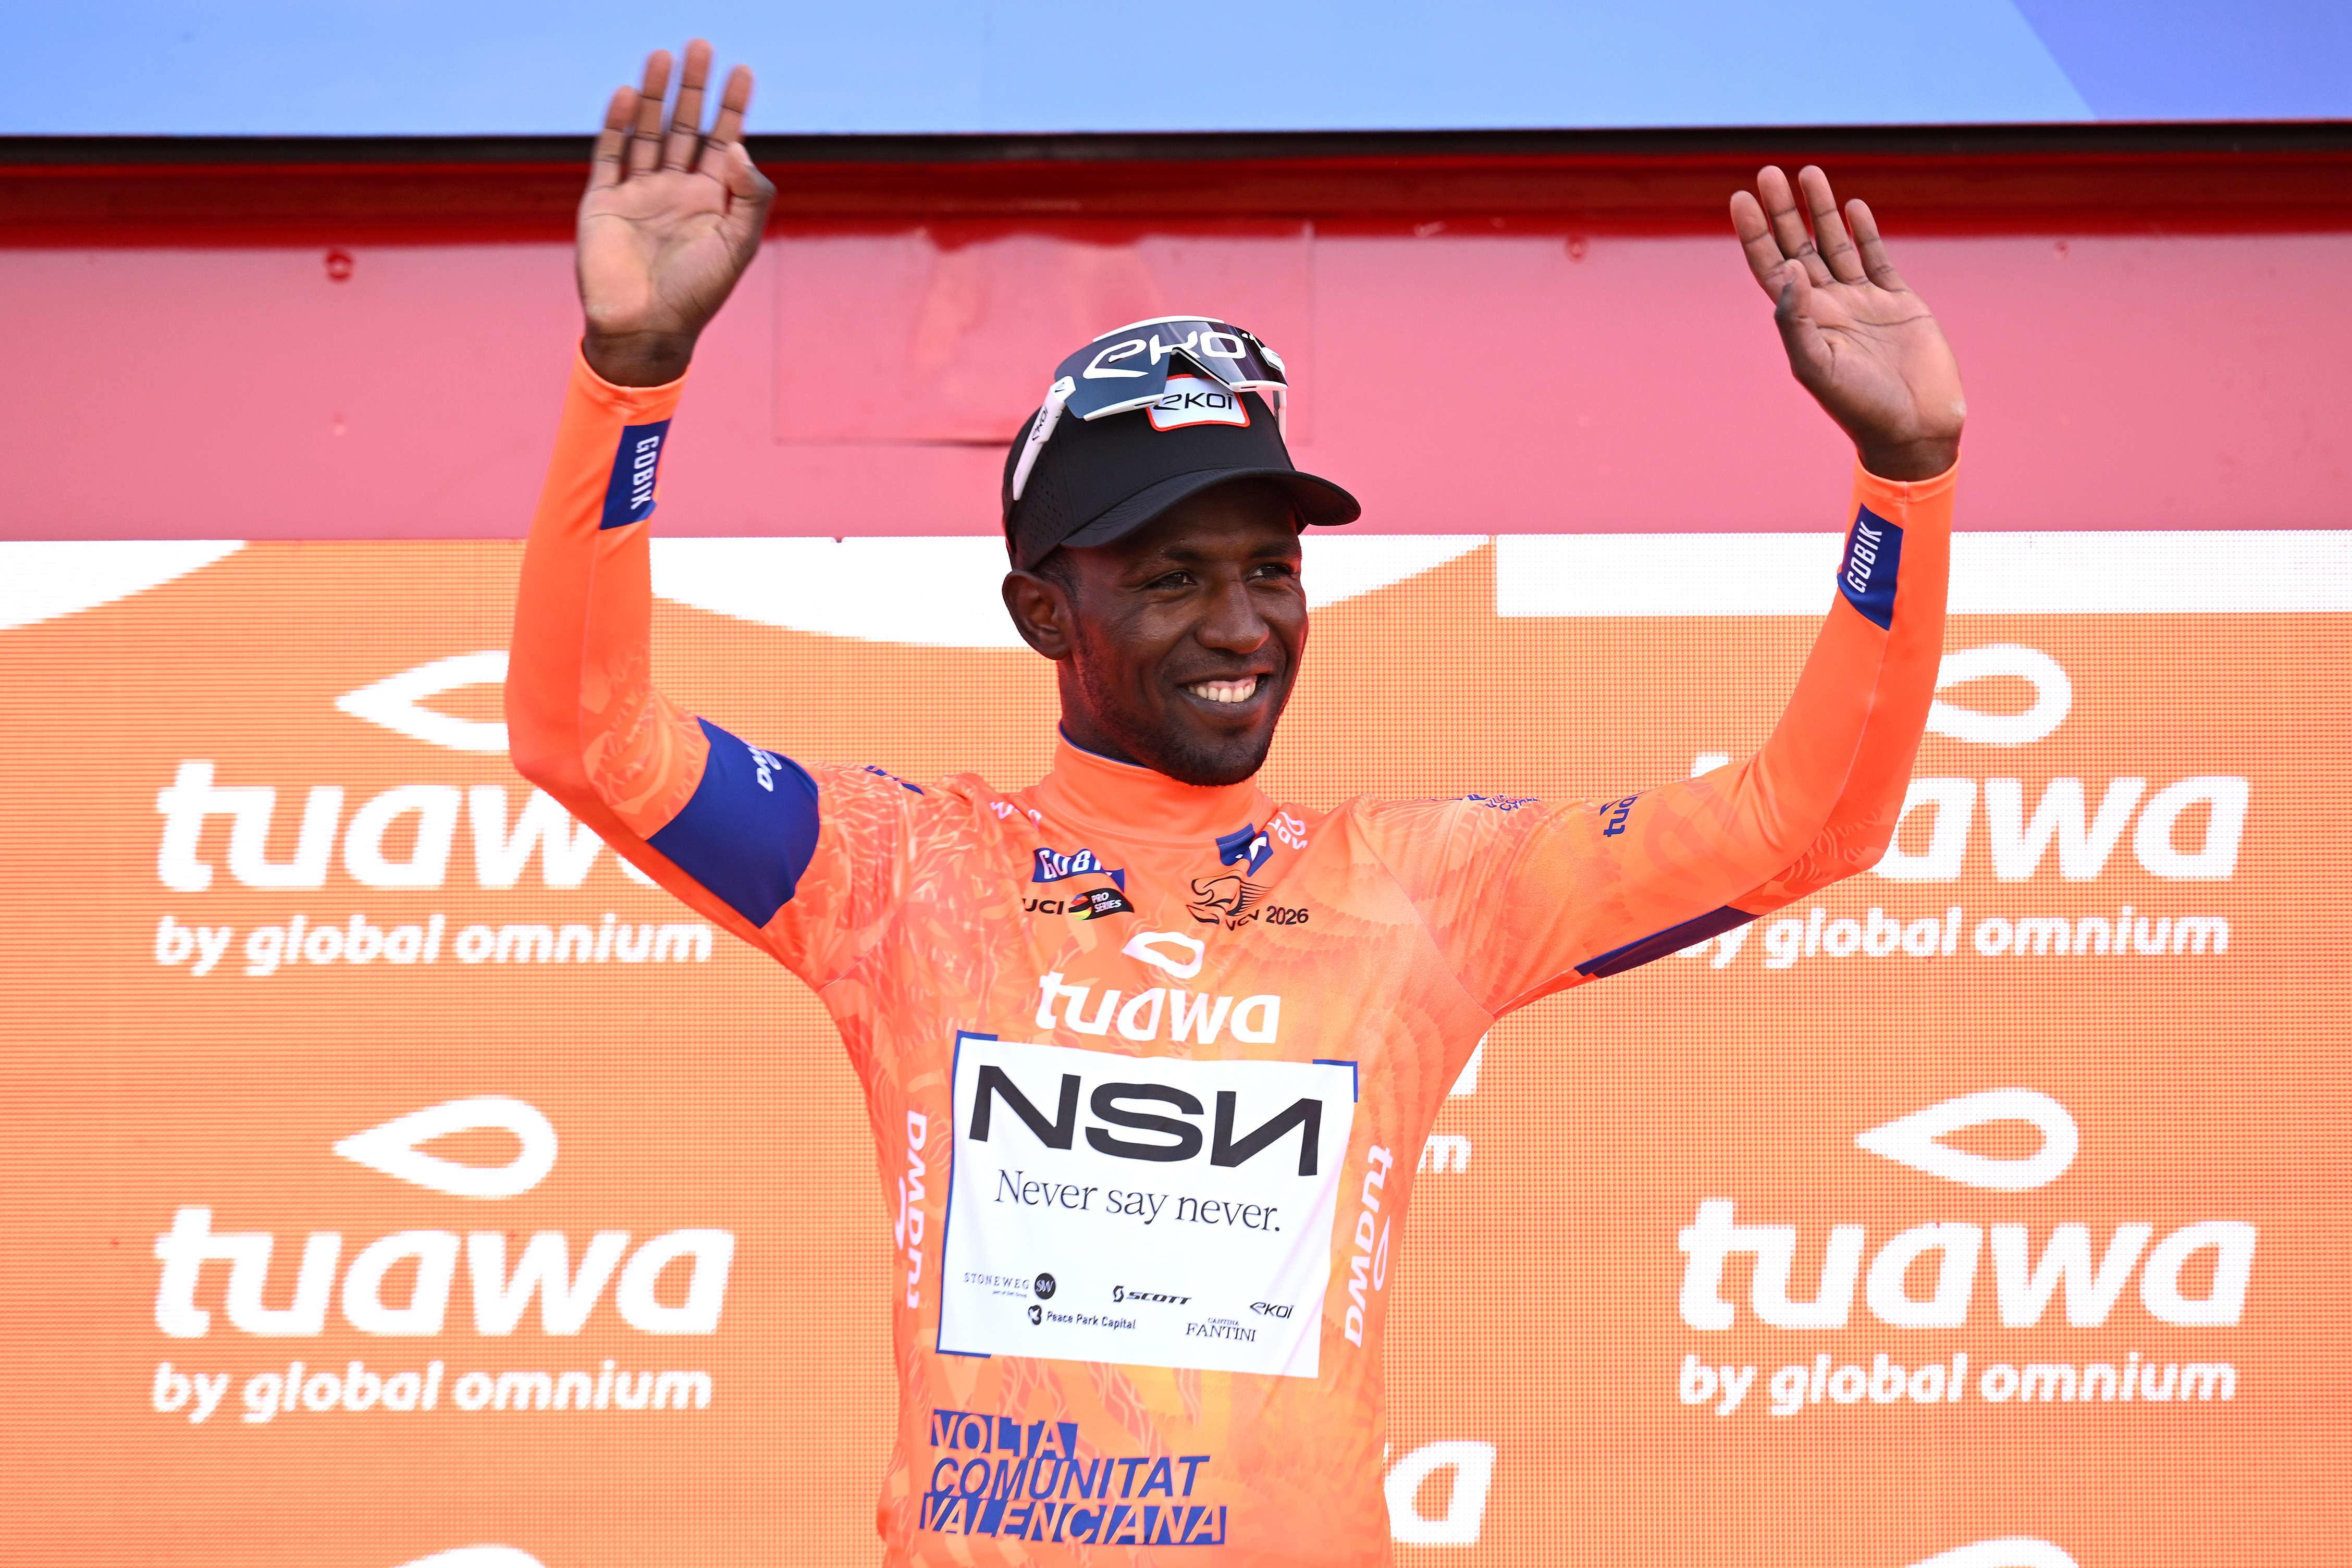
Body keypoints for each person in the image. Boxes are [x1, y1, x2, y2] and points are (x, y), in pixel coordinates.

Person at [507, 41, 1964, 1568]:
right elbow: (581, 734)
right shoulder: (900, 874)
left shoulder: (1419, 889)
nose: (1239, 626)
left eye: (1271, 569)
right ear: (1040, 613)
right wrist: (630, 378)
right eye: (1170, 577)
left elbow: (1813, 821)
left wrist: (1904, 473)